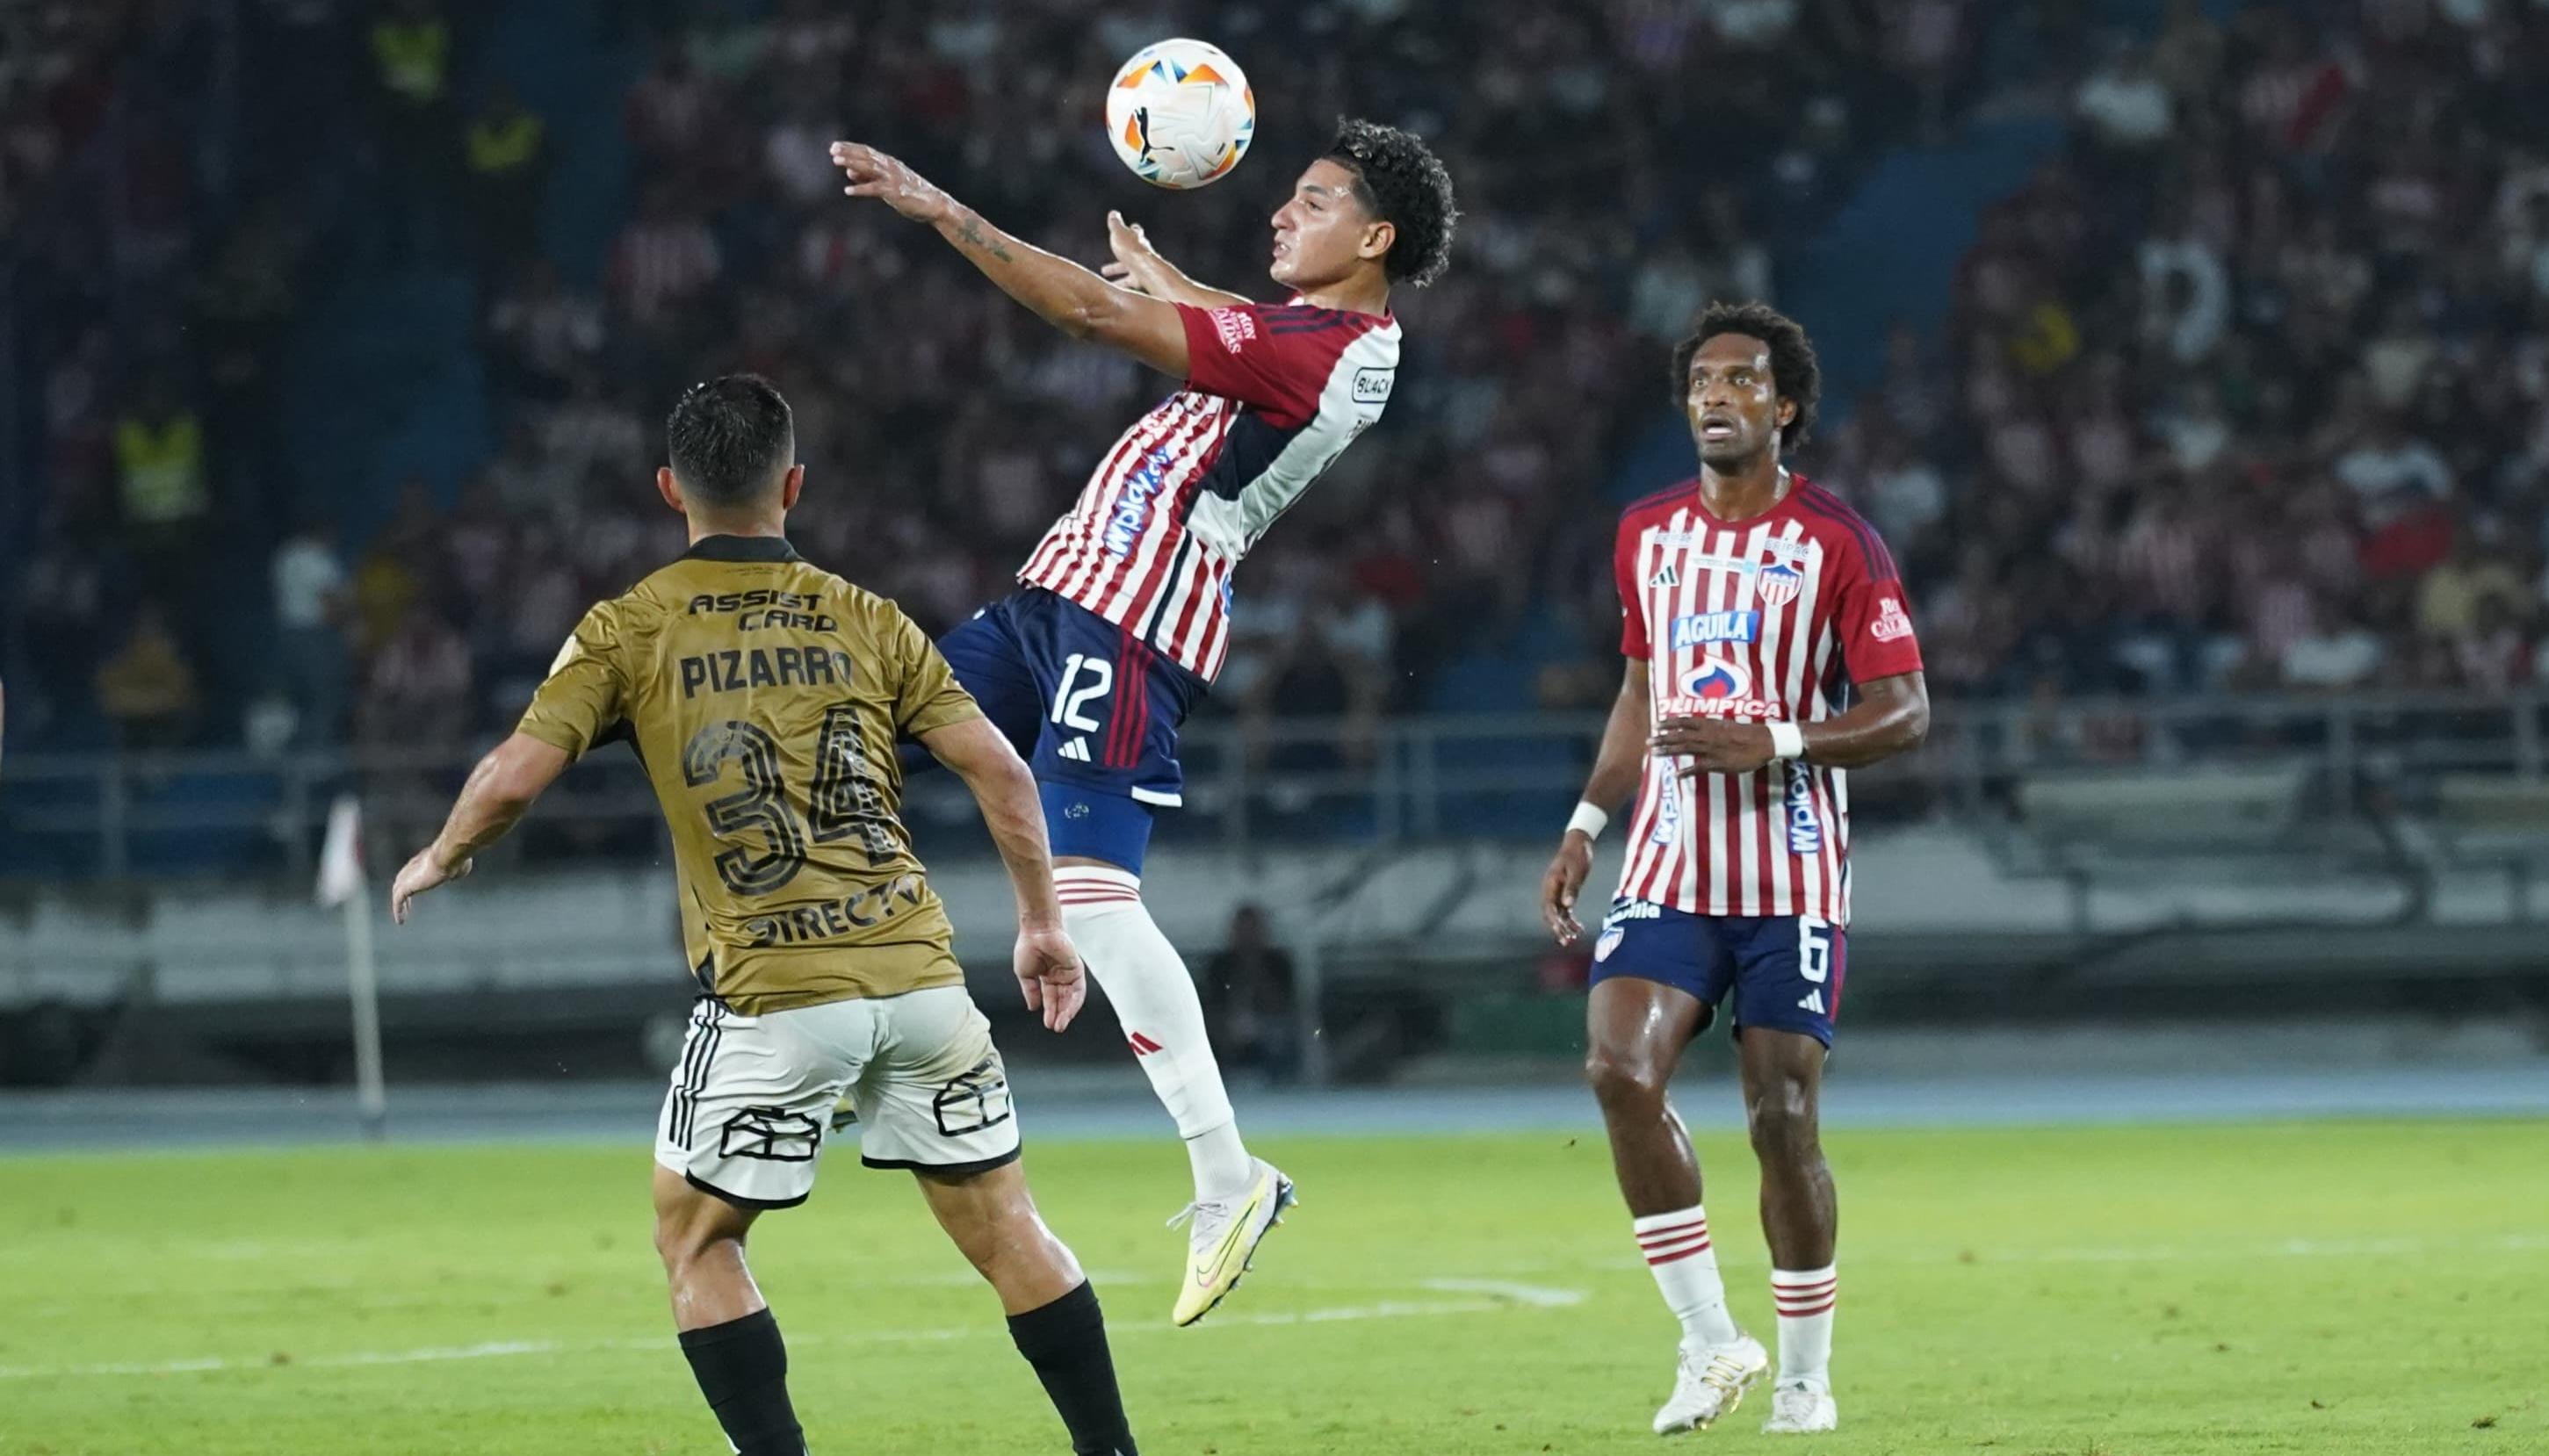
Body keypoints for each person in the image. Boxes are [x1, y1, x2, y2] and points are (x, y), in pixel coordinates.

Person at [388, 377, 1140, 1456]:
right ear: (794, 484)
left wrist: (442, 851)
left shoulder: (630, 624)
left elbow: (512, 778)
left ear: (668, 489)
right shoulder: (869, 614)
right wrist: (1042, 922)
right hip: (922, 979)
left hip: (775, 995)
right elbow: (1005, 774)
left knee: (695, 1238)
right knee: (1007, 1227)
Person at [827, 119, 1458, 1323]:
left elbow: (1084, 318)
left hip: (1125, 622)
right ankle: (858, 1048)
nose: (1282, 212)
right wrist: (1181, 281)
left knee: (1096, 906)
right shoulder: (1329, 338)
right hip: (1048, 601)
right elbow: (1247, 326)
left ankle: (1227, 1175)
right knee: (845, 760)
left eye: (1312, 203)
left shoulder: (1313, 351)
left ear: (1372, 237)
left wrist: (936, 204)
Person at [1538, 304, 1930, 1438]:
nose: (1716, 395)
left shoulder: (1839, 541)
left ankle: (1805, 1375)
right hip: (1665, 862)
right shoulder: (1644, 533)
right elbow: (1637, 690)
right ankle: (1710, 1341)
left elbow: (1904, 710)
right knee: (1617, 1071)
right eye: (1701, 380)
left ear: (1785, 406)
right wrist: (1581, 819)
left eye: (1742, 380)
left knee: (1779, 1116)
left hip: (1791, 875)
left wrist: (1784, 739)